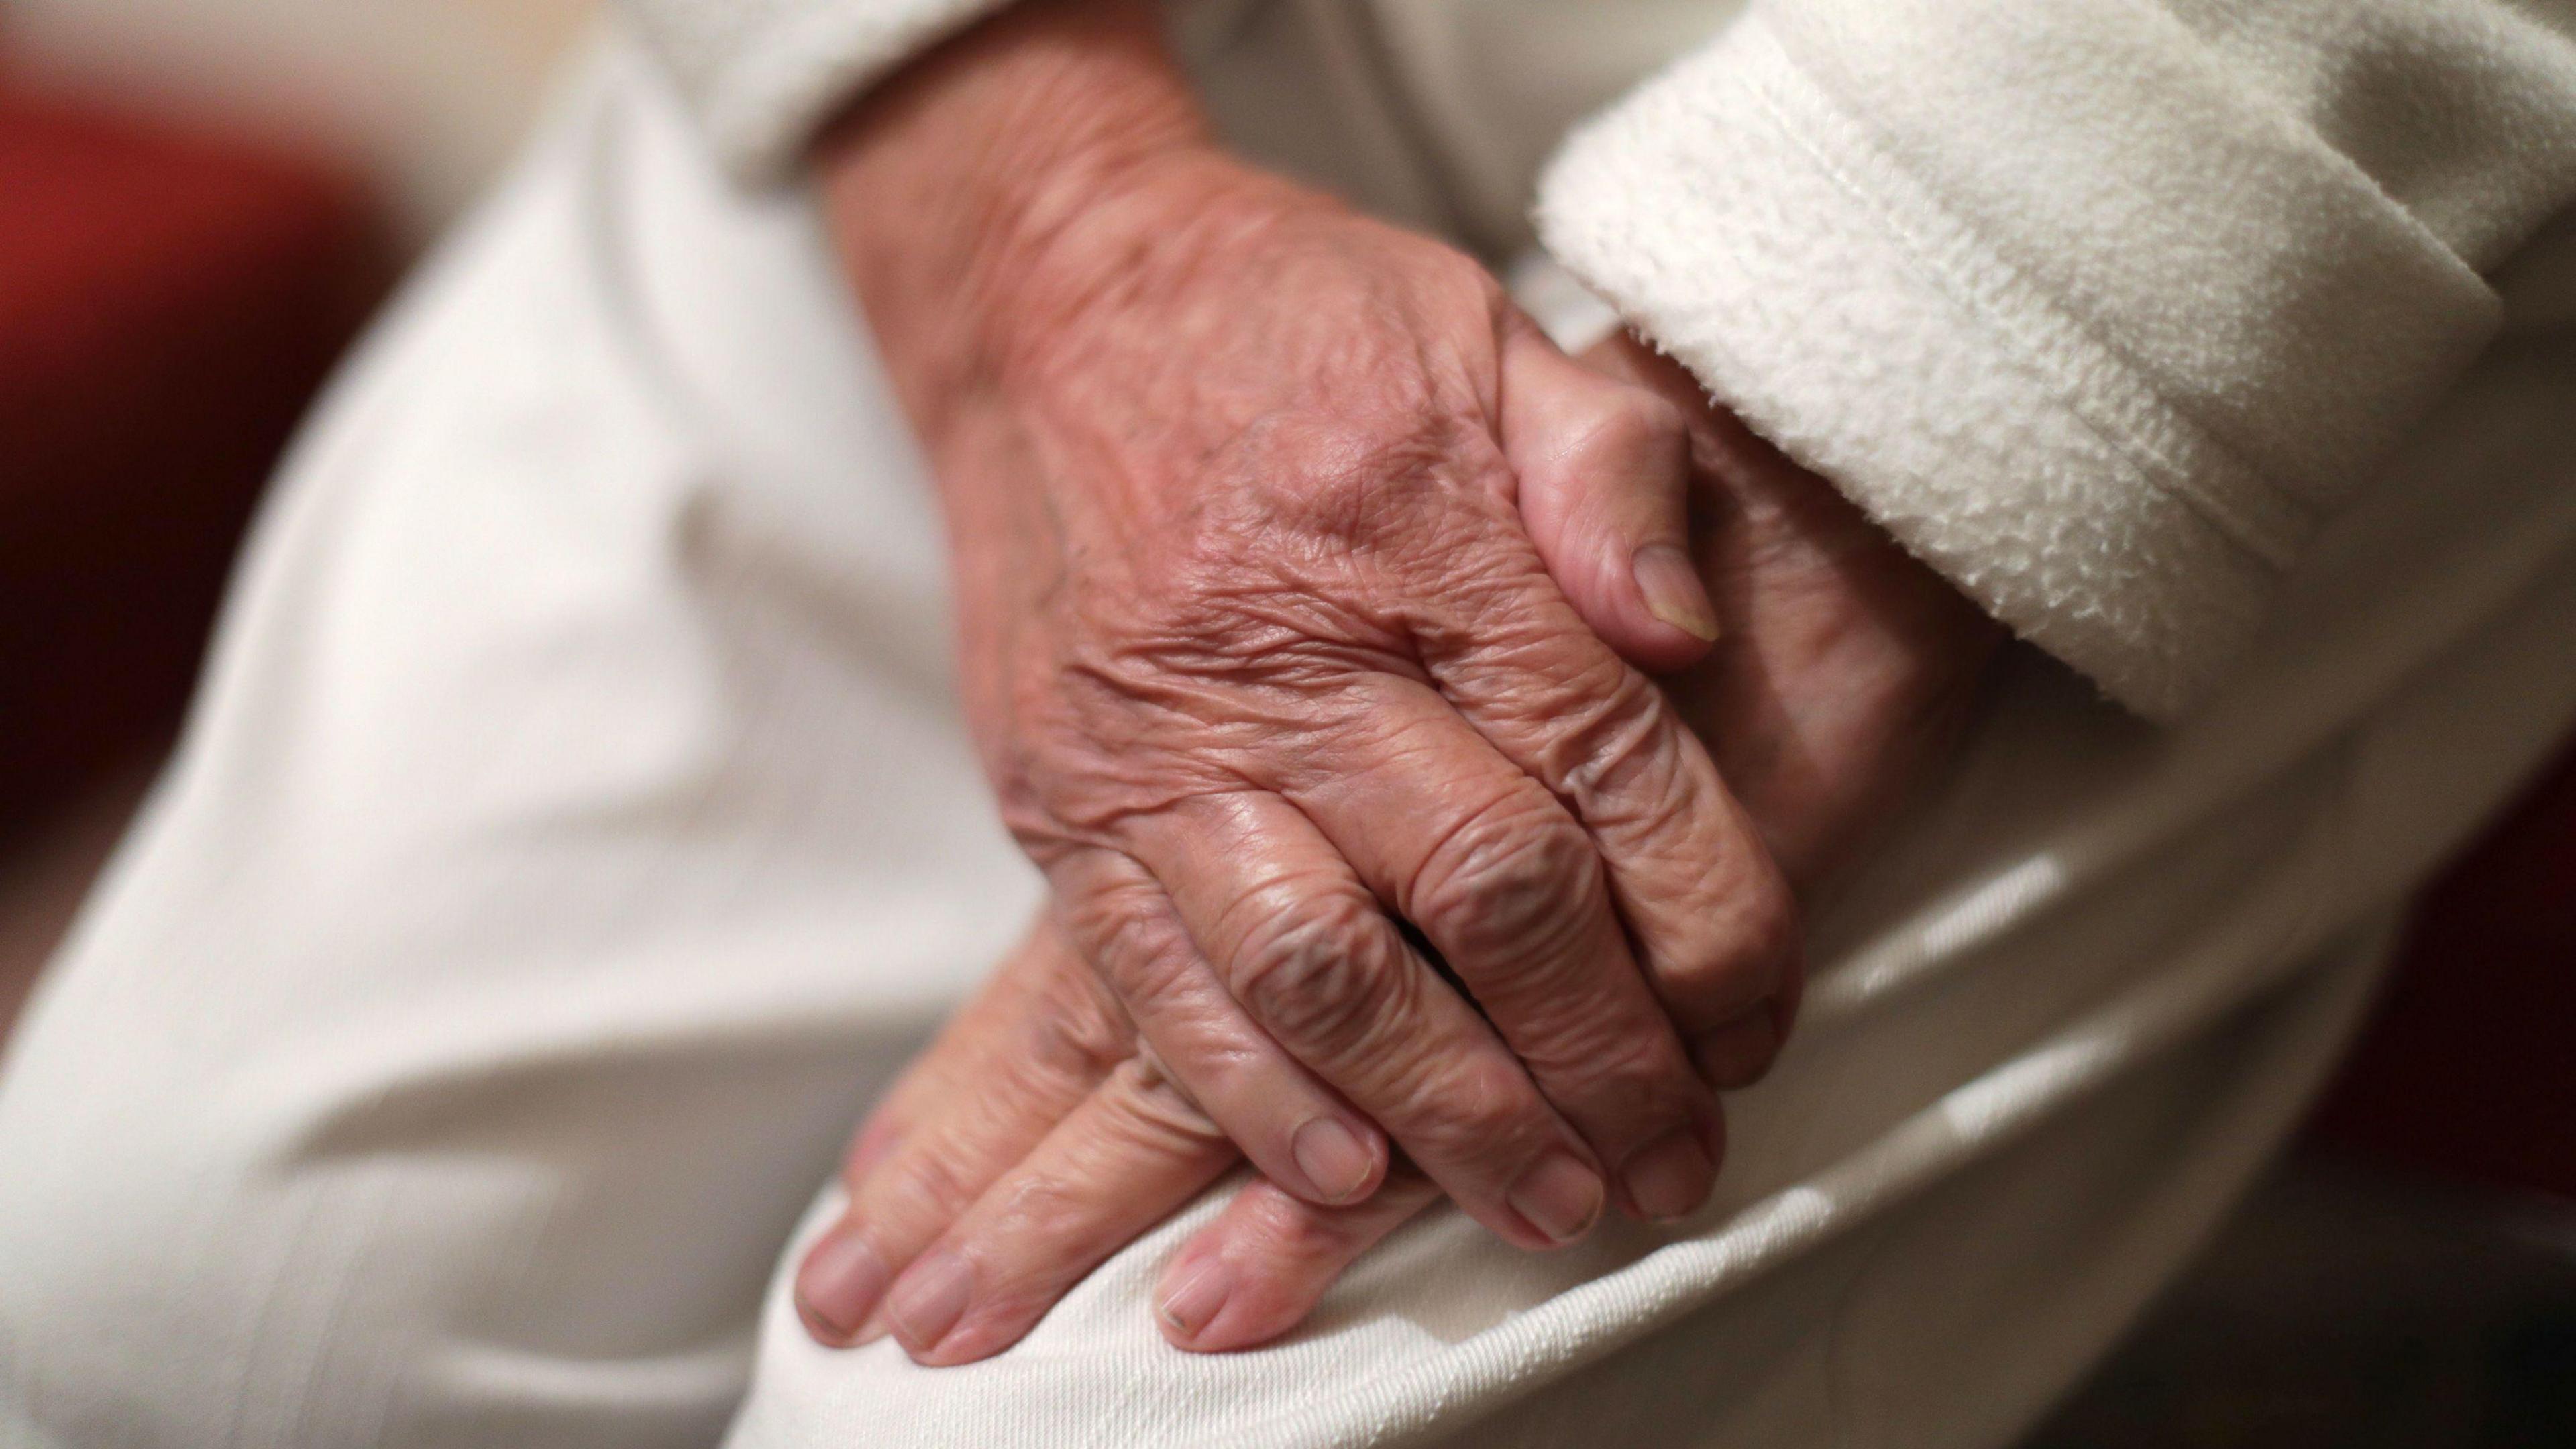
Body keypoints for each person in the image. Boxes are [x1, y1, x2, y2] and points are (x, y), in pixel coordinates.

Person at [5, 0, 2575, 1444]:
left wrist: (1912, 395)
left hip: (2118, 115)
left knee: (1064, 1437)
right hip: (1003, 64)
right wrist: (1026, 208)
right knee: (174, 1327)